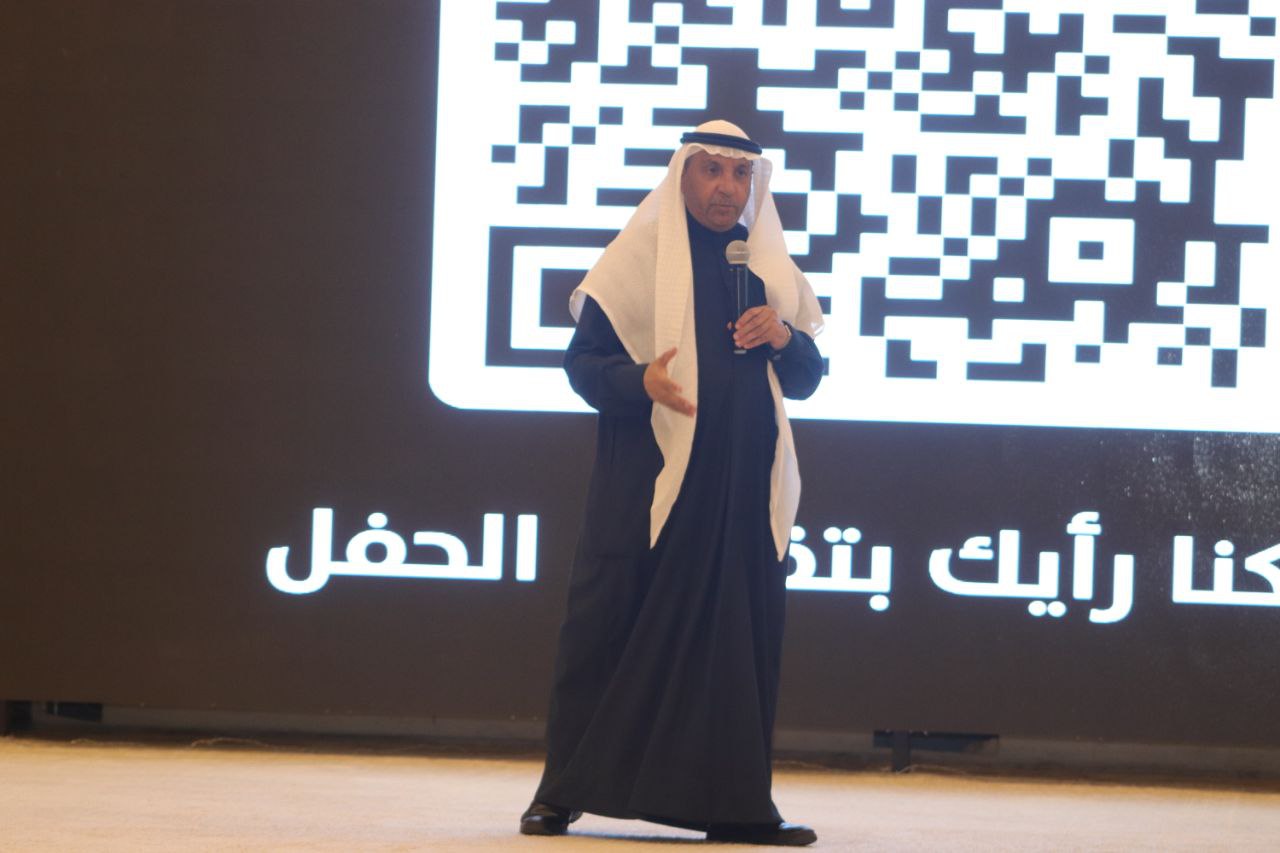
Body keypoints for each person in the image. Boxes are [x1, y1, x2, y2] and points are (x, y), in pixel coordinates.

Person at [519, 119, 825, 846]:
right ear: (682, 174)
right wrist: (642, 382)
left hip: (741, 497)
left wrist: (784, 336)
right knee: (609, 628)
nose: (727, 188)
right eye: (711, 170)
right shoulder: (637, 258)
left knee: (734, 646)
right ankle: (560, 795)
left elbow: (807, 377)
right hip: (649, 485)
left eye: (740, 174)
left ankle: (738, 806)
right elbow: (582, 366)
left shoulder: (765, 269)